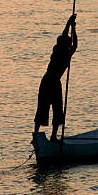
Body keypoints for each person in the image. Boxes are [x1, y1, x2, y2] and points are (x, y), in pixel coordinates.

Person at [34, 14, 78, 142]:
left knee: (53, 108)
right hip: (51, 82)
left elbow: (65, 37)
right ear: (67, 45)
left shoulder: (57, 49)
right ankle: (47, 135)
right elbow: (75, 44)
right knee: (47, 108)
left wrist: (69, 24)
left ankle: (48, 135)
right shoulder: (65, 53)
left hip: (48, 81)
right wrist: (73, 28)